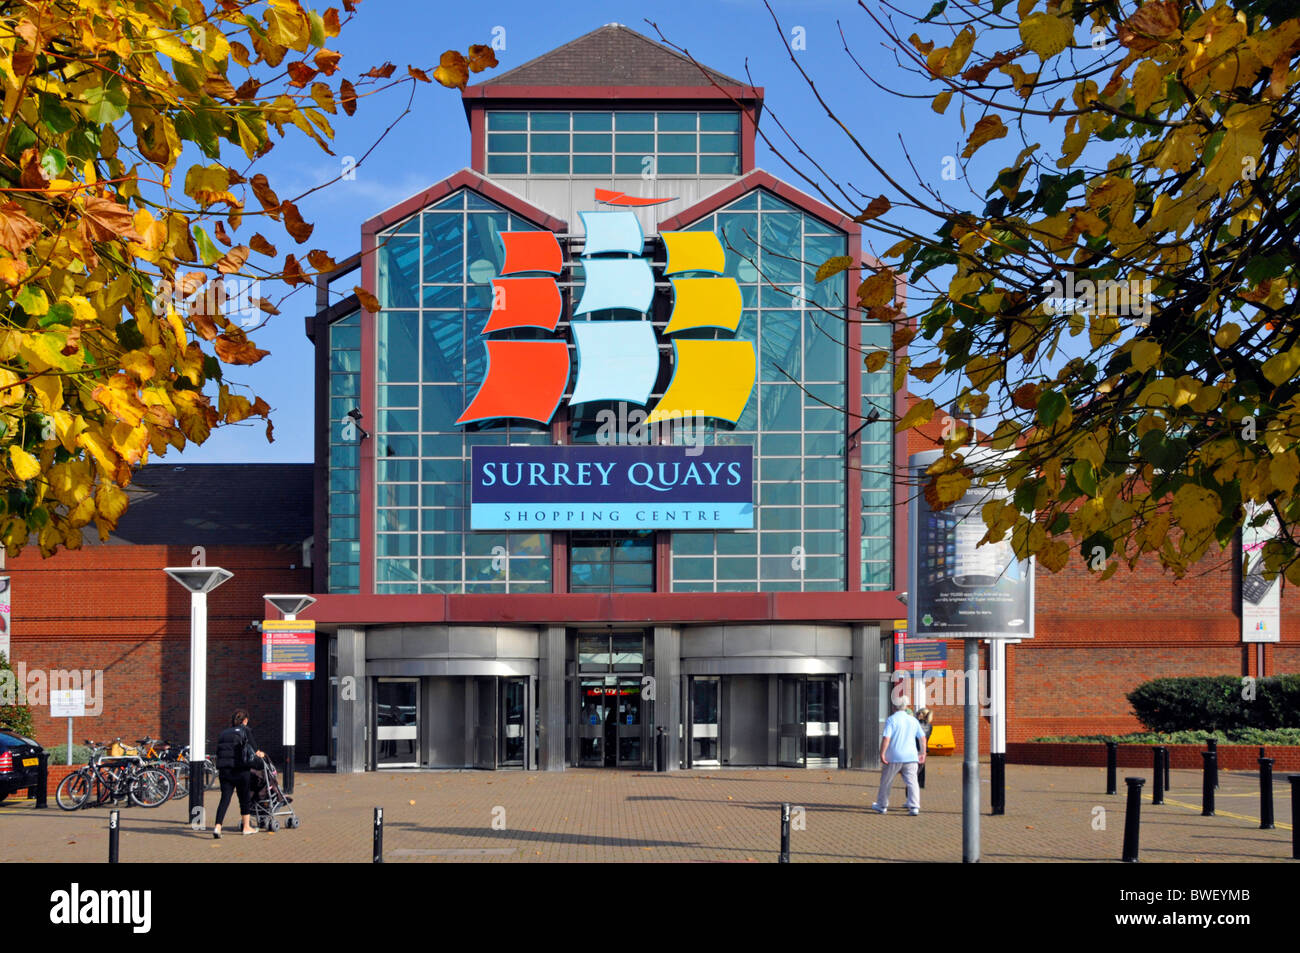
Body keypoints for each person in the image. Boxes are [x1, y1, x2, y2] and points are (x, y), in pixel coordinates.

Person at [212, 708, 265, 838]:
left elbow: (219, 752)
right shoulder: (245, 731)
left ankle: (218, 827)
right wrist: (262, 755)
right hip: (241, 770)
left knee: (225, 798)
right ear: (245, 720)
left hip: (225, 771)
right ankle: (246, 827)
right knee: (244, 799)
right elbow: (255, 751)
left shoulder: (223, 733)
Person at [870, 699, 927, 815]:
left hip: (893, 756)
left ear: (893, 707)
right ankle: (914, 806)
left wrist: (882, 753)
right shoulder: (913, 720)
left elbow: (886, 738)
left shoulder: (891, 720)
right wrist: (922, 752)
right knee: (912, 782)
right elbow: (922, 738)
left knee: (886, 781)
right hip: (911, 756)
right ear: (905, 707)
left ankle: (882, 805)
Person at [916, 708, 934, 788]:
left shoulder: (917, 724)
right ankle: (921, 783)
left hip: (917, 747)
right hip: (924, 748)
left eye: (919, 713)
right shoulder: (930, 726)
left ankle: (916, 783)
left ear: (922, 715)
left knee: (915, 766)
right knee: (922, 766)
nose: (918, 715)